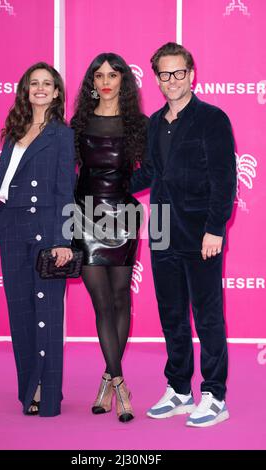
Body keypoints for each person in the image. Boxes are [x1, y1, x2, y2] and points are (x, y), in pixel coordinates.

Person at [130, 42, 236, 427]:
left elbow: (225, 181)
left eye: (179, 73)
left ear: (191, 74)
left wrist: (215, 229)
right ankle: (178, 390)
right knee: (172, 314)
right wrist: (105, 184)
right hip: (161, 230)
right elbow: (150, 174)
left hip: (199, 233)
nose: (171, 80)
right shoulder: (154, 123)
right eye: (164, 74)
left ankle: (214, 395)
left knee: (207, 316)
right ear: (156, 78)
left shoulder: (213, 118)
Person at [0, 62, 76, 417]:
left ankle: (48, 392)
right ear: (26, 90)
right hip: (11, 225)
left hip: (45, 228)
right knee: (21, 312)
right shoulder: (14, 129)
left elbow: (64, 189)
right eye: (34, 83)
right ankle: (29, 388)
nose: (40, 88)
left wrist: (62, 240)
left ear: (56, 93)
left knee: (48, 313)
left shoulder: (61, 134)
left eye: (47, 84)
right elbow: (7, 177)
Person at [71, 53, 147, 422]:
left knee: (120, 297)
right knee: (102, 302)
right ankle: (120, 382)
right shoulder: (78, 123)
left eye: (112, 75)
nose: (105, 80)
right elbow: (68, 174)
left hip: (123, 217)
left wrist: (125, 191)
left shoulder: (138, 124)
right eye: (98, 75)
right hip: (83, 217)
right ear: (91, 82)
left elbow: (151, 172)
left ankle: (106, 381)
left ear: (123, 81)